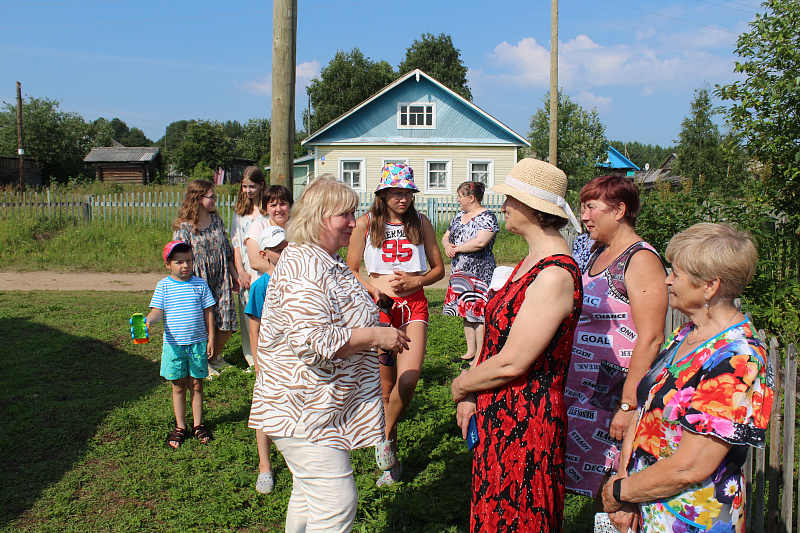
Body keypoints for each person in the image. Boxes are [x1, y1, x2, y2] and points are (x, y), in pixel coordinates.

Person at [257, 175, 410, 532]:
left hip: (321, 410)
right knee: (336, 505)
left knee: (308, 497)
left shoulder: (325, 258)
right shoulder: (303, 265)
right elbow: (314, 340)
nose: (354, 223)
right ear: (320, 216)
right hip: (302, 410)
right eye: (346, 215)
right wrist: (377, 335)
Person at [602, 223, 774, 533]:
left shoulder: (738, 359)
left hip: (689, 515)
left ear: (710, 286)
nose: (667, 280)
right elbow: (644, 412)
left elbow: (691, 466)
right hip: (648, 497)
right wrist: (625, 481)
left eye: (676, 274)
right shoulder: (687, 334)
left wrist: (618, 493)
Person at [450, 158, 584, 533]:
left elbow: (513, 362)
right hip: (501, 408)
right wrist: (474, 394)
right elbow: (495, 340)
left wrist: (462, 385)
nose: (503, 205)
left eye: (510, 198)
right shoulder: (531, 261)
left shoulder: (555, 274)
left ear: (533, 209)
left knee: (519, 517)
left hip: (526, 418)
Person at [563, 175, 669, 499]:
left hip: (612, 395)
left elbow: (651, 338)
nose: (583, 217)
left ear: (619, 209)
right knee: (588, 486)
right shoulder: (599, 252)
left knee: (613, 490)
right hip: (583, 391)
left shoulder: (641, 259)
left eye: (590, 207)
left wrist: (627, 405)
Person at [346, 163, 445, 486]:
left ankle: (382, 433)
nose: (403, 199)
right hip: (381, 310)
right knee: (386, 391)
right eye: (397, 193)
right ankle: (392, 464)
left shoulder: (422, 222)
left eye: (408, 193)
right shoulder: (366, 223)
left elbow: (438, 270)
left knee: (410, 380)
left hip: (414, 306)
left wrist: (417, 279)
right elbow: (350, 270)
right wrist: (373, 288)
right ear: (383, 194)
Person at [146, 241, 216, 448]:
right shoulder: (163, 286)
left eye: (189, 261)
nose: (185, 266)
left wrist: (211, 338)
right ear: (168, 265)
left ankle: (198, 425)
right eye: (179, 262)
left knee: (196, 384)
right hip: (174, 346)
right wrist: (149, 320)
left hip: (197, 344)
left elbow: (208, 312)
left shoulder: (200, 284)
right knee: (178, 386)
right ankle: (180, 426)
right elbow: (157, 311)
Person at [173, 180, 240, 374]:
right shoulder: (184, 228)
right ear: (198, 198)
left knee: (227, 321)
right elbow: (178, 259)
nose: (215, 200)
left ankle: (214, 357)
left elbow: (227, 251)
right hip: (196, 281)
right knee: (199, 324)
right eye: (211, 196)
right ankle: (201, 363)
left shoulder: (216, 220)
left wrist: (234, 275)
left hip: (220, 278)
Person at [245, 225, 288, 495]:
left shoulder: (299, 279)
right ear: (264, 254)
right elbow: (254, 328)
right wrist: (259, 362)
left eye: (285, 246)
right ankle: (264, 466)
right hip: (269, 360)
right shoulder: (260, 286)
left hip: (294, 359)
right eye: (276, 249)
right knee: (265, 412)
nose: (283, 252)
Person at [441, 181, 499, 364]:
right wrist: (447, 246)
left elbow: (481, 242)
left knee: (478, 314)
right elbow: (446, 236)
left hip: (479, 273)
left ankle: (481, 355)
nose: (458, 200)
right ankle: (470, 351)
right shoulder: (459, 216)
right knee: (465, 311)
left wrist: (456, 249)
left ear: (471, 198)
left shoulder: (487, 216)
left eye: (460, 196)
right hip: (459, 272)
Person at [230, 166, 268, 367]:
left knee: (266, 312)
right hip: (246, 268)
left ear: (262, 185)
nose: (248, 190)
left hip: (265, 268)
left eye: (252, 186)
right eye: (245, 186)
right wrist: (240, 271)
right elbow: (236, 243)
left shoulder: (268, 210)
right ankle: (252, 359)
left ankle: (268, 355)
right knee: (248, 313)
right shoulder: (240, 212)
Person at [246, 184, 293, 275]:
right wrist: (287, 273)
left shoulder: (299, 229)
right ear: (266, 208)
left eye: (283, 204)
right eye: (273, 205)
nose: (279, 209)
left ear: (290, 206)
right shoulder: (258, 227)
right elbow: (255, 262)